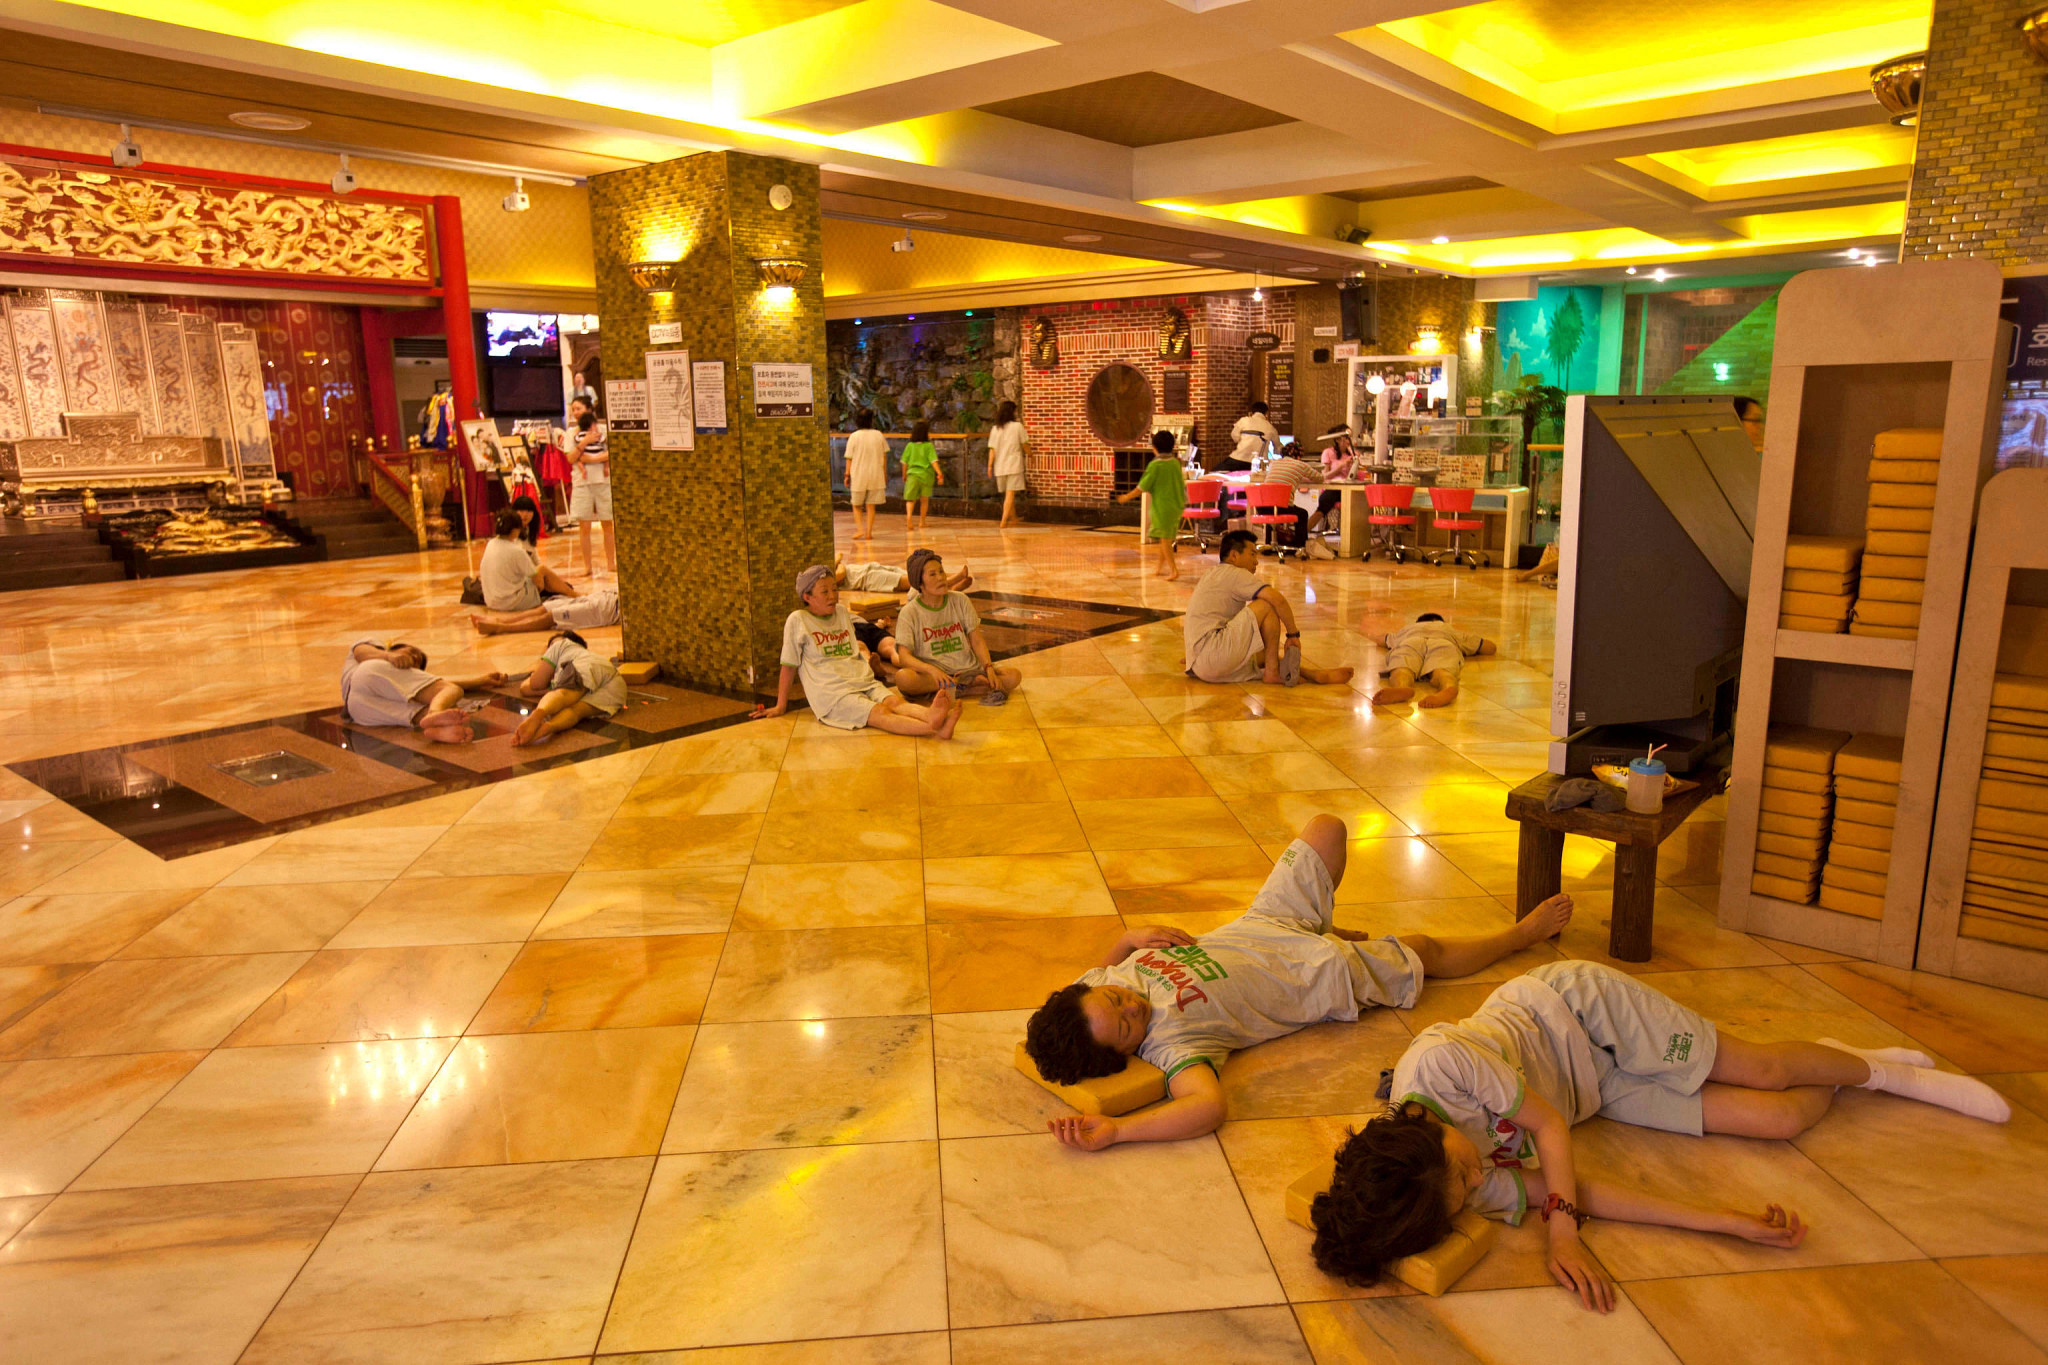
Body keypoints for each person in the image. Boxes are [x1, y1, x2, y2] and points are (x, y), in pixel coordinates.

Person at [1310, 955, 2011, 1311]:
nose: (1476, 1181)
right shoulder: (1444, 1189)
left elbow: (1548, 1130)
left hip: (1584, 1014)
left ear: (1423, 1128)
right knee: (1782, 1117)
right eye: (1468, 1192)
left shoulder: (1437, 1065)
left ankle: (1894, 1076)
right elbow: (1585, 1185)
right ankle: (1837, 1063)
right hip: (1593, 1090)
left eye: (1465, 1170)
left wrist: (1562, 1228)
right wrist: (1723, 1222)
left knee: (1763, 1068)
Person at [1025, 814, 1576, 1152]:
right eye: (1123, 1026)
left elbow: (1107, 965)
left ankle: (1324, 922)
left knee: (1327, 829)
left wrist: (1130, 936)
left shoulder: (1096, 987)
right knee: (1423, 950)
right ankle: (1519, 935)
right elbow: (1207, 1108)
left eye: (1114, 997)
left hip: (1265, 922)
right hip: (1321, 975)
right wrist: (1120, 1133)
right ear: (1125, 1053)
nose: (1130, 1006)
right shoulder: (1172, 1047)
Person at [752, 564, 962, 739]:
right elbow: (788, 665)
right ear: (807, 596)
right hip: (833, 694)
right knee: (880, 712)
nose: (832, 596)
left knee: (894, 702)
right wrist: (781, 705)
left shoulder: (842, 613)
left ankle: (931, 715)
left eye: (834, 589)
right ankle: (933, 728)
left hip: (861, 681)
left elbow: (854, 651)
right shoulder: (798, 620)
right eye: (824, 592)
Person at [1184, 530, 1355, 687]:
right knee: (1267, 603)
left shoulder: (1212, 573)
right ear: (1234, 556)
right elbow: (1277, 600)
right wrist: (1293, 634)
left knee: (1263, 655)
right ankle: (1273, 673)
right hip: (1212, 656)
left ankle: (1315, 675)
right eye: (1252, 554)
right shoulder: (1234, 573)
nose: (1256, 561)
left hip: (1200, 665)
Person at [890, 547, 1021, 699]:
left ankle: (955, 688)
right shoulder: (909, 612)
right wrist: (932, 670)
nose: (941, 577)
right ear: (919, 582)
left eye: (941, 571)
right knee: (904, 679)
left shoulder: (960, 600)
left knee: (1013, 676)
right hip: (935, 676)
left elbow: (976, 640)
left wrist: (989, 668)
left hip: (969, 670)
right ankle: (967, 686)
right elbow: (904, 657)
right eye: (933, 574)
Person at [340, 641, 505, 745]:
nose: (413, 658)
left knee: (422, 713)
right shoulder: (379, 653)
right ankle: (435, 713)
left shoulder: (393, 680)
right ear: (395, 646)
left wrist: (480, 681)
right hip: (366, 672)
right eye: (411, 652)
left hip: (357, 711)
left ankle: (439, 726)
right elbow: (359, 650)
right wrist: (388, 656)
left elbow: (433, 685)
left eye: (416, 664)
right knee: (450, 692)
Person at [512, 629, 627, 746]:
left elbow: (534, 684)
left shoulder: (561, 645)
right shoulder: (562, 676)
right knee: (576, 711)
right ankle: (547, 728)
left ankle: (538, 716)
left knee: (564, 694)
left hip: (589, 667)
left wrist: (536, 672)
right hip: (617, 686)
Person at [1373, 611, 1494, 708]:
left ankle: (1401, 687)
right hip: (1443, 643)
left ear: (1419, 622)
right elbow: (1490, 648)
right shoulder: (1448, 629)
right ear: (1439, 621)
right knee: (1443, 672)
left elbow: (1380, 639)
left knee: (1401, 668)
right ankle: (1448, 687)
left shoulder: (1409, 628)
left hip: (1411, 641)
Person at [1116, 430, 1186, 580]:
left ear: (1154, 447)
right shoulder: (1175, 463)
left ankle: (1173, 570)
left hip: (1162, 507)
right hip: (1176, 506)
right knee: (1165, 537)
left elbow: (1142, 487)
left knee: (1165, 539)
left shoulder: (1155, 465)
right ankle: (1160, 567)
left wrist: (1126, 497)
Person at [479, 509, 578, 613]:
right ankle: (573, 594)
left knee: (538, 576)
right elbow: (537, 579)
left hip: (491, 601)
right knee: (542, 569)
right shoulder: (516, 551)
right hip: (512, 603)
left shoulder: (490, 544)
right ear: (514, 531)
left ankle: (567, 591)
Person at [567, 396, 614, 576]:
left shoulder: (602, 429)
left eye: (578, 408)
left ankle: (611, 563)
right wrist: (583, 443)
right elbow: (571, 458)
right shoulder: (572, 433)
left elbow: (612, 452)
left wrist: (593, 459)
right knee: (584, 525)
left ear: (588, 409)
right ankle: (587, 567)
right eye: (573, 409)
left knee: (608, 522)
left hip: (603, 481)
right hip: (582, 483)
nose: (575, 412)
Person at [1260, 443, 1323, 548]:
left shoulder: (1274, 464)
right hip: (1282, 507)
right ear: (1299, 456)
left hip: (1263, 508)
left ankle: (1268, 544)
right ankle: (1300, 546)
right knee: (1302, 514)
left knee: (1271, 514)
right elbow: (1320, 478)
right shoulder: (1300, 465)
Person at [845, 408, 889, 540]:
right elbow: (884, 457)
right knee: (871, 505)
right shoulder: (878, 435)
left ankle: (860, 530)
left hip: (858, 475)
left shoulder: (854, 436)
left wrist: (847, 475)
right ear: (871, 420)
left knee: (856, 505)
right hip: (876, 474)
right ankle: (869, 532)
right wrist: (884, 474)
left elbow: (849, 458)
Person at [834, 554, 973, 595]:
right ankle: (954, 581)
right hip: (867, 579)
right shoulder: (827, 577)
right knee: (912, 580)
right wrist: (837, 563)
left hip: (871, 567)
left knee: (914, 573)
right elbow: (841, 572)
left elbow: (839, 554)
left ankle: (951, 585)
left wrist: (836, 561)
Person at [987, 399, 1028, 528]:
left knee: (1008, 494)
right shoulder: (1017, 427)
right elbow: (1025, 444)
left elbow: (992, 449)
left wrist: (989, 466)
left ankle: (1013, 517)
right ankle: (1003, 521)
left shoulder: (995, 428)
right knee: (1010, 494)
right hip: (1014, 465)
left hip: (1000, 466)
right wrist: (1030, 453)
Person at [901, 419, 941, 533]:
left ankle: (909, 517)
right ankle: (922, 521)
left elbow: (904, 462)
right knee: (924, 500)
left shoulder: (910, 446)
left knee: (910, 499)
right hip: (926, 475)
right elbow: (933, 461)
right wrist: (939, 472)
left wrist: (904, 474)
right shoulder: (928, 446)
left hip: (912, 474)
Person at [1223, 401, 1278, 472]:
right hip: (1259, 464)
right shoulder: (1271, 428)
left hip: (1237, 459)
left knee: (1216, 473)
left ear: (1251, 412)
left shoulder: (1244, 421)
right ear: (1266, 413)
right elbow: (1278, 448)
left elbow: (1235, 437)